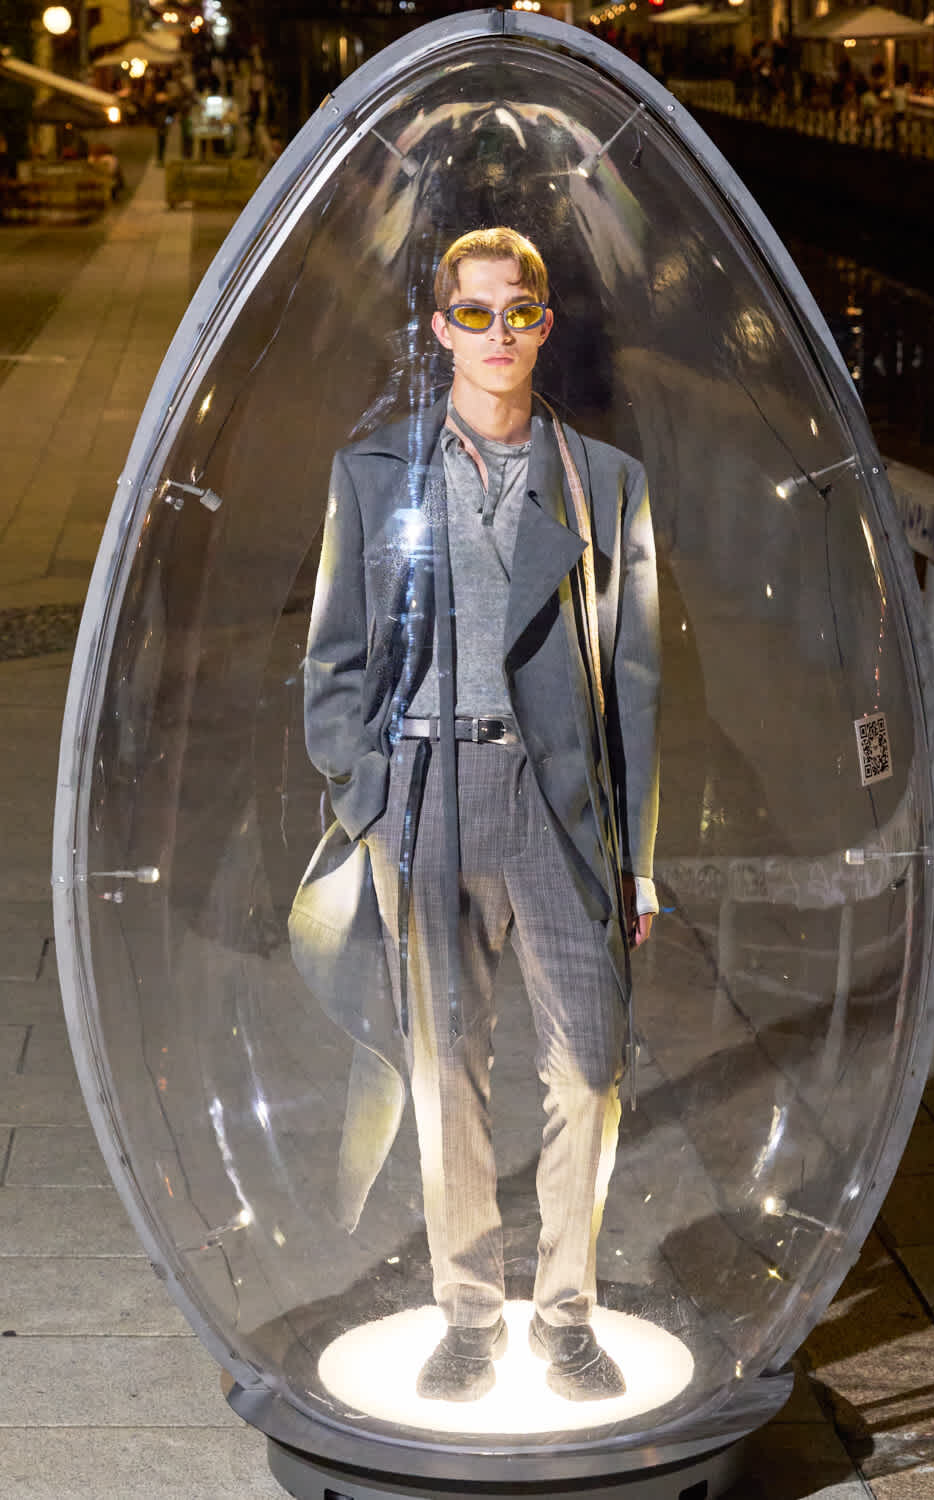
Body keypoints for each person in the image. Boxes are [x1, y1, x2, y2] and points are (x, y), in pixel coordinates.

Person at [304, 228, 660, 1404]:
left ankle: (565, 1312)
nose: (496, 335)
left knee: (588, 1068)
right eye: (474, 314)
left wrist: (638, 863)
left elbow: (637, 678)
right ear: (438, 327)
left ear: (544, 327)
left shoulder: (602, 482)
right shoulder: (374, 473)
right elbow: (335, 659)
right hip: (426, 798)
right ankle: (466, 1313)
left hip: (558, 807)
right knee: (442, 1066)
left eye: (518, 315)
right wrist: (367, 795)